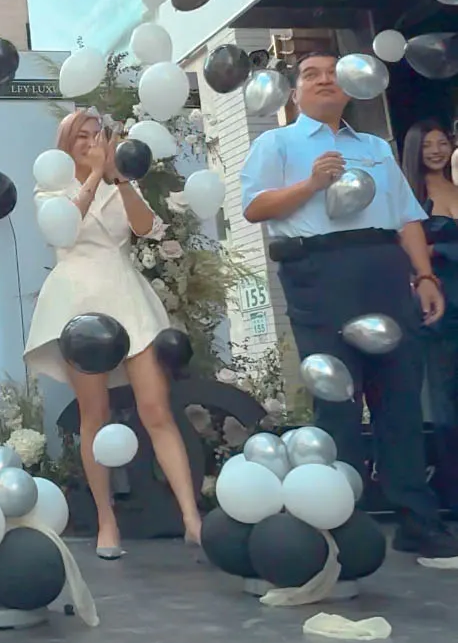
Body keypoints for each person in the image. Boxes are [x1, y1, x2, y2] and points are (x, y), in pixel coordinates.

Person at [240, 52, 457, 560]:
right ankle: (339, 523)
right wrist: (312, 184)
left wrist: (424, 275)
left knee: (400, 395)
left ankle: (418, 522)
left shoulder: (375, 148)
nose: (324, 80)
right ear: (294, 92)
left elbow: (406, 217)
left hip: (384, 268)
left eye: (333, 74)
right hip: (319, 270)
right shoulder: (277, 143)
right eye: (310, 75)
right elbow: (254, 207)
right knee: (337, 397)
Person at [24, 109, 202, 555]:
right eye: (80, 137)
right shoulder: (51, 188)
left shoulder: (119, 182)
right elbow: (64, 232)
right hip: (78, 303)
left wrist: (118, 179)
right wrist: (92, 175)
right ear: (66, 145)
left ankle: (191, 517)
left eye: (96, 134)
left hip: (127, 295)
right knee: (95, 414)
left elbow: (145, 229)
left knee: (156, 407)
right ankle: (107, 521)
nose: (91, 143)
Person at [401, 120, 458, 509]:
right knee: (443, 401)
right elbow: (404, 247)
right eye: (428, 145)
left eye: (442, 143)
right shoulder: (410, 198)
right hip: (438, 301)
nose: (437, 151)